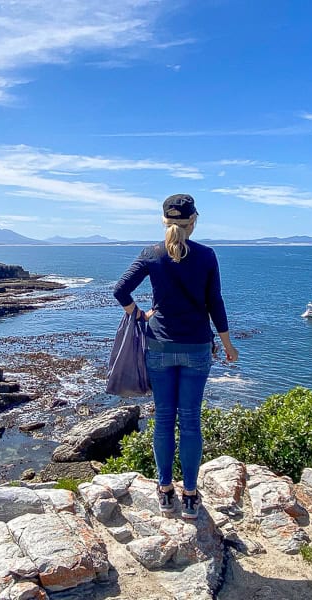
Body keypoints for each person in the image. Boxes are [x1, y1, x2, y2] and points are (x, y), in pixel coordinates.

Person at [113, 193, 238, 519]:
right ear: (193, 221)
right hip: (197, 348)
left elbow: (119, 290)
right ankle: (191, 496)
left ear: (164, 221)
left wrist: (140, 315)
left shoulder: (151, 255)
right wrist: (227, 346)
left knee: (164, 420)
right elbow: (216, 304)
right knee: (191, 422)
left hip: (160, 348)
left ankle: (166, 491)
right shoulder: (207, 256)